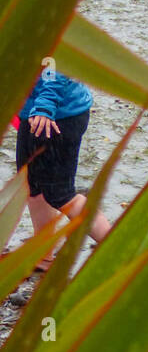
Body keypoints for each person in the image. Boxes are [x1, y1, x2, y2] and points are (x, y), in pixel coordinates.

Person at [14, 68, 110, 272]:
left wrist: (45, 106)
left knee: (61, 194)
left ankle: (120, 248)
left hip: (56, 117)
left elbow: (58, 66)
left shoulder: (55, 36)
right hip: (32, 112)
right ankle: (43, 255)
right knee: (31, 185)